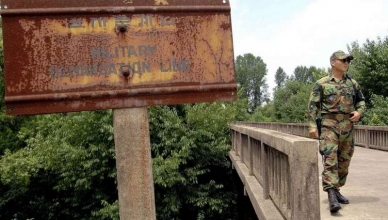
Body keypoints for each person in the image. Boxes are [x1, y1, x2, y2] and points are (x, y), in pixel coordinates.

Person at [307, 50, 366, 213]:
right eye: (343, 60)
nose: (346, 62)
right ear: (333, 62)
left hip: (347, 126)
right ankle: (331, 194)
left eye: (348, 60)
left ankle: (337, 189)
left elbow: (361, 101)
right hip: (329, 125)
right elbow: (312, 107)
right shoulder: (322, 83)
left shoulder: (353, 83)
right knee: (330, 158)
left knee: (345, 160)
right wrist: (312, 126)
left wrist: (359, 112)